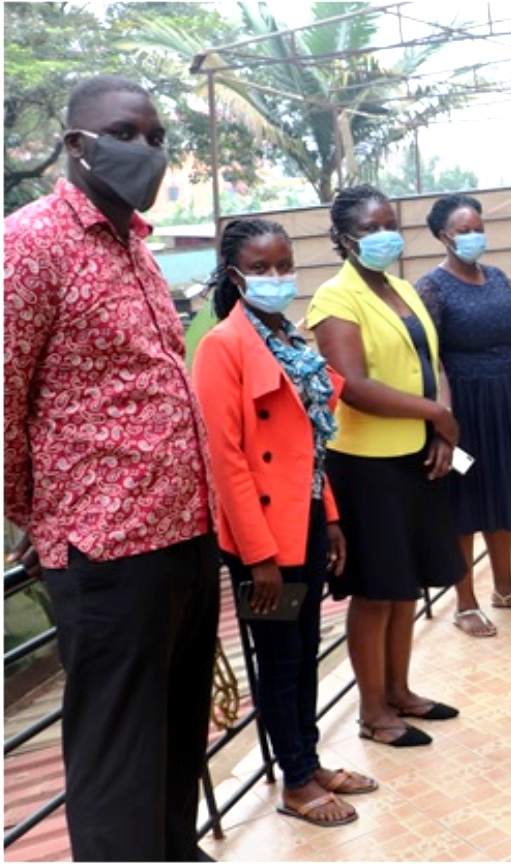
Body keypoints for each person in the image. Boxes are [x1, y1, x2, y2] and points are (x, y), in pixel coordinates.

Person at [3, 75, 219, 861]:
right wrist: (44, 517)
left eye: (157, 137)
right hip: (105, 547)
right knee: (117, 766)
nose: (147, 150)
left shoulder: (136, 246)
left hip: (184, 536)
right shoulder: (29, 242)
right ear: (77, 144)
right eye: (127, 133)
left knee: (175, 742)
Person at [193, 219, 380, 827]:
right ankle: (294, 781)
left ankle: (309, 760)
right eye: (262, 267)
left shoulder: (289, 337)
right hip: (260, 540)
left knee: (303, 649)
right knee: (277, 655)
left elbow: (312, 444)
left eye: (284, 265)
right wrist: (258, 556)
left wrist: (328, 519)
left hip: (302, 518)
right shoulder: (223, 346)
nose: (277, 277)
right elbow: (227, 458)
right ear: (234, 274)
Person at [307, 185, 464, 747]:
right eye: (371, 228)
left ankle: (400, 691)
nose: (384, 236)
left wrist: (440, 426)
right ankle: (373, 713)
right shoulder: (334, 299)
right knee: (375, 590)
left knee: (405, 586)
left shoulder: (402, 288)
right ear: (345, 238)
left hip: (417, 452)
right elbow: (353, 387)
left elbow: (432, 360)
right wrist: (437, 415)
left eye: (390, 224)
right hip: (367, 465)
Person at [416, 194, 511, 638]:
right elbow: (429, 358)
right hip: (465, 411)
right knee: (466, 501)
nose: (474, 236)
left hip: (509, 401)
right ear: (443, 237)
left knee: (502, 492)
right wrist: (443, 420)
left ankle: (505, 587)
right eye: (464, 230)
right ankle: (466, 601)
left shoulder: (494, 277)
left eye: (478, 227)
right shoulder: (432, 288)